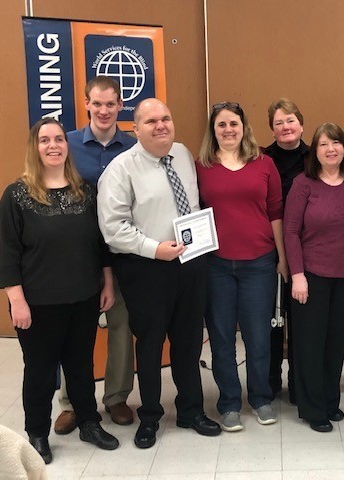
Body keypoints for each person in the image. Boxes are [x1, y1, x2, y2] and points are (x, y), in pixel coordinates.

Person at [97, 98, 221, 449]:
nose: (161, 125)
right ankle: (149, 416)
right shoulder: (121, 169)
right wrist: (155, 249)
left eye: (166, 118)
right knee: (150, 346)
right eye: (151, 121)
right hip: (147, 268)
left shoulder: (182, 154)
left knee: (188, 341)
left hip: (190, 262)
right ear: (135, 129)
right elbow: (113, 228)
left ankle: (191, 411)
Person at [0, 118, 120, 464]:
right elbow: (6, 253)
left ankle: (88, 421)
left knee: (81, 365)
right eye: (44, 140)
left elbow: (101, 245)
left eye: (58, 139)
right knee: (39, 369)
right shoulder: (16, 195)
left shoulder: (85, 191)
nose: (53, 145)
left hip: (83, 297)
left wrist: (107, 283)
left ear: (67, 146)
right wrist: (16, 300)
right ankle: (37, 432)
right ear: (34, 148)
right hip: (36, 303)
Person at [53, 75, 137, 435]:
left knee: (121, 325)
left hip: (123, 251)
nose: (103, 110)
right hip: (80, 254)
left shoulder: (134, 146)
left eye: (110, 104)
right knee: (77, 330)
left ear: (121, 106)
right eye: (97, 103)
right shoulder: (67, 144)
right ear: (86, 103)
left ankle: (116, 397)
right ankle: (73, 402)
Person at [197, 102, 286, 432]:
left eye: (233, 123)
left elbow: (276, 211)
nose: (228, 129)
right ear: (214, 130)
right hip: (215, 265)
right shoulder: (201, 166)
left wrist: (283, 258)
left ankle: (261, 398)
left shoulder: (264, 164)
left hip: (259, 264)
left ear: (244, 126)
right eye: (221, 125)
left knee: (258, 337)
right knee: (221, 338)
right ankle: (229, 403)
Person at [284, 123, 344, 432]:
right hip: (311, 276)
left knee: (335, 343)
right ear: (315, 151)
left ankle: (331, 400)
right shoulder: (303, 184)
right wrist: (297, 275)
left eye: (336, 143)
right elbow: (290, 233)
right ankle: (313, 408)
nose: (331, 149)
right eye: (323, 144)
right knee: (309, 344)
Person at [261, 98, 309, 403]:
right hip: (269, 250)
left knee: (301, 323)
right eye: (278, 122)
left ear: (301, 124)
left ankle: (299, 383)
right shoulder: (261, 159)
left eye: (290, 120)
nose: (285, 127)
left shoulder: (315, 157)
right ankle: (270, 382)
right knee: (271, 322)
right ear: (272, 129)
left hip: (308, 252)